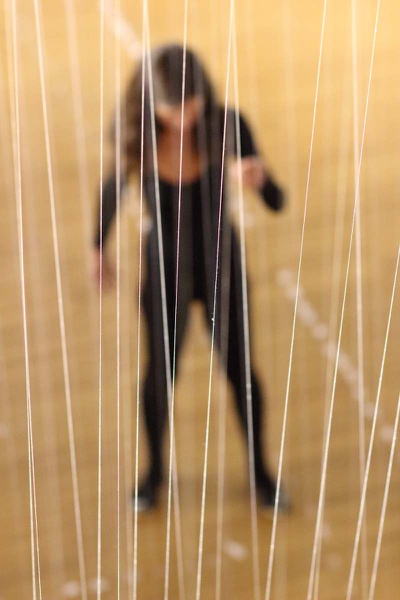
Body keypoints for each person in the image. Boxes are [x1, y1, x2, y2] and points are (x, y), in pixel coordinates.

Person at [92, 44, 289, 511]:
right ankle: (153, 474)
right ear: (150, 104)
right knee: (160, 375)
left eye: (190, 107)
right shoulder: (135, 133)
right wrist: (97, 246)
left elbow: (277, 201)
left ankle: (261, 473)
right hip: (164, 273)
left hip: (223, 267)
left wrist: (259, 179)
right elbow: (113, 187)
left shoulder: (227, 124)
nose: (183, 121)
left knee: (241, 371)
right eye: (171, 110)